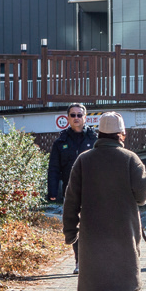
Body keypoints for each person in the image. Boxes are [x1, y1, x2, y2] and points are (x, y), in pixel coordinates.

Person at [62, 112, 146, 291]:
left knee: (97, 278)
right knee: (127, 273)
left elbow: (71, 199)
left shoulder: (84, 160)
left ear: (99, 133)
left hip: (93, 231)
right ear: (121, 134)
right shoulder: (130, 159)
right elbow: (142, 196)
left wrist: (70, 231)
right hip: (124, 229)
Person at [48, 103, 97, 274]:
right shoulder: (60, 142)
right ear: (67, 118)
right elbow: (54, 168)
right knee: (75, 226)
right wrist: (52, 191)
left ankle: (95, 260)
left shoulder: (95, 139)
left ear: (85, 117)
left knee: (92, 226)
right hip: (72, 191)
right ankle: (79, 262)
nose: (76, 118)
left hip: (94, 191)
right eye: (73, 115)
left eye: (79, 115)